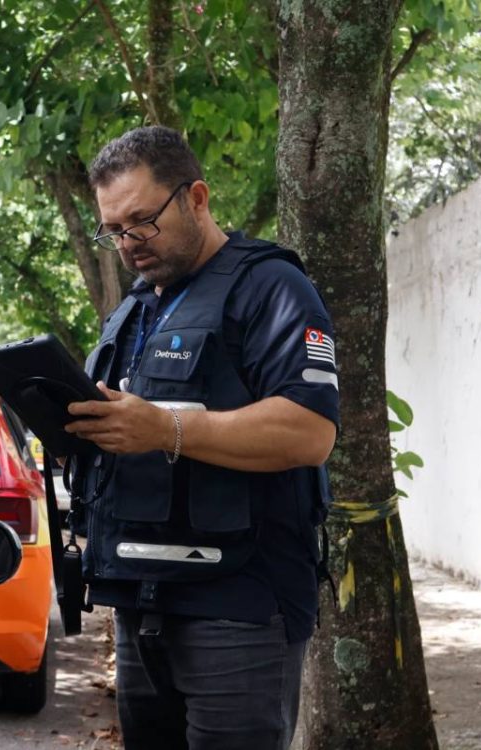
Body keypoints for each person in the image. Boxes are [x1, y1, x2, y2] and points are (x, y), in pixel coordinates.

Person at [63, 126, 339, 750]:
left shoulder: (270, 287)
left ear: (196, 198)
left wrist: (165, 427)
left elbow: (310, 430)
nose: (129, 243)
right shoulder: (134, 312)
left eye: (142, 221)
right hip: (141, 603)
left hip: (238, 606)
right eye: (114, 229)